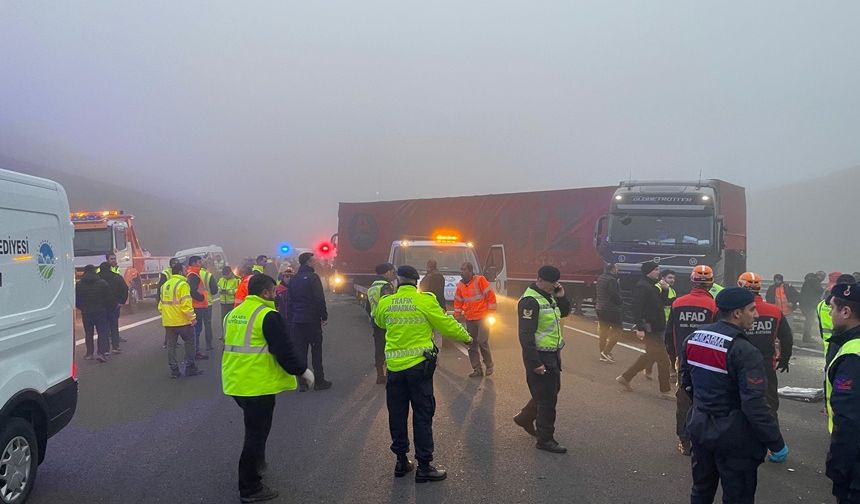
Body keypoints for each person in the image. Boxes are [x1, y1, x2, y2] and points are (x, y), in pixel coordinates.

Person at [680, 287, 788, 504]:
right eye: (752, 310)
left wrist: (703, 409)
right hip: (735, 439)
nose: (756, 315)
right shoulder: (745, 351)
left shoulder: (694, 338)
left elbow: (686, 382)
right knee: (738, 497)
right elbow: (754, 405)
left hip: (700, 428)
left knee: (701, 490)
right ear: (737, 313)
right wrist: (776, 442)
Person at [375, 265, 472, 483]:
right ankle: (424, 467)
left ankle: (401, 462)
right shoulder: (424, 300)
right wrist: (466, 337)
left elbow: (379, 322)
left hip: (394, 369)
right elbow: (445, 324)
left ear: (397, 281)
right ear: (416, 282)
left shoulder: (386, 302)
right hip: (419, 368)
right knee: (422, 415)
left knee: (397, 415)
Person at [222, 274, 313, 503]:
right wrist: (302, 371)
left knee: (252, 428)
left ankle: (258, 465)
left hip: (236, 382)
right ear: (265, 293)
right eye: (273, 291)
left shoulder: (234, 314)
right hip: (257, 385)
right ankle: (250, 487)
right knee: (256, 435)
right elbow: (284, 349)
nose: (275, 295)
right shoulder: (268, 315)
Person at [513, 265, 572, 454]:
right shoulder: (530, 301)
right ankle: (545, 439)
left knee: (550, 391)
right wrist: (535, 363)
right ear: (540, 279)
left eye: (555, 283)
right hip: (540, 355)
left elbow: (564, 313)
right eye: (550, 283)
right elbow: (526, 334)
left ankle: (524, 417)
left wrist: (561, 296)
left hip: (552, 353)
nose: (553, 286)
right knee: (548, 399)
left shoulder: (549, 296)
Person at [663, 265, 717, 456]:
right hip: (708, 362)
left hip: (683, 360)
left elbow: (669, 335)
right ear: (710, 283)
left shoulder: (678, 303)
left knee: (684, 401)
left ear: (692, 281)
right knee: (706, 400)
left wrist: (673, 358)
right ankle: (705, 438)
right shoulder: (713, 306)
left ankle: (684, 440)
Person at [737, 271, 793, 423]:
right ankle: (770, 440)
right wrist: (785, 358)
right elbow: (786, 338)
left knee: (738, 404)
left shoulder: (735, 312)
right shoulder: (774, 311)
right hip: (766, 365)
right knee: (769, 405)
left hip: (738, 365)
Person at [824, 282, 860, 503]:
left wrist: (837, 466)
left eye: (833, 307)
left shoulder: (851, 356)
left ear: (845, 312)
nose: (829, 312)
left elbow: (849, 420)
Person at [616, 261, 673, 399]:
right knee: (664, 360)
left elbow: (664, 303)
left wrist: (665, 289)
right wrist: (640, 327)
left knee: (650, 355)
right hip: (650, 328)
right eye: (656, 269)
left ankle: (626, 377)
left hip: (657, 327)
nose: (659, 272)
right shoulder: (642, 286)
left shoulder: (653, 286)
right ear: (649, 271)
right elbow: (637, 308)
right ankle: (665, 391)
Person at [287, 252, 332, 391]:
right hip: (311, 320)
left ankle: (303, 382)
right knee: (316, 351)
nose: (315, 261)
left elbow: (290, 300)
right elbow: (319, 299)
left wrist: (291, 318)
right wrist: (323, 316)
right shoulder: (313, 277)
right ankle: (319, 381)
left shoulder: (293, 279)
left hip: (297, 320)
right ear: (308, 262)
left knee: (301, 351)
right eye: (313, 260)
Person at [158, 262, 203, 379]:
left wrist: (168, 315)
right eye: (184, 270)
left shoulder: (165, 285)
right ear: (179, 272)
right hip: (183, 322)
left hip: (168, 323)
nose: (186, 272)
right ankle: (190, 367)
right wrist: (193, 318)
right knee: (189, 343)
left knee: (171, 346)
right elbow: (186, 305)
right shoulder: (183, 284)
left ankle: (174, 370)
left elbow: (160, 306)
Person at [454, 262, 497, 377]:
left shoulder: (480, 280)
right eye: (461, 269)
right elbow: (458, 301)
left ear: (470, 270)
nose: (461, 272)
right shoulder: (460, 285)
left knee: (482, 341)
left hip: (483, 317)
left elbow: (490, 296)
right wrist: (457, 315)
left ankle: (489, 364)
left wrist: (491, 313)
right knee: (471, 344)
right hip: (470, 318)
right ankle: (477, 369)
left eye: (463, 269)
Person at [75, 265, 113, 362]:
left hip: (86, 312)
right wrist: (105, 307)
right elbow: (109, 298)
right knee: (102, 332)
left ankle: (89, 353)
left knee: (88, 333)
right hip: (100, 311)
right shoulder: (102, 283)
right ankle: (101, 352)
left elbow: (76, 300)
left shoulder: (79, 285)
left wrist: (82, 308)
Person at [368, 263, 396, 384]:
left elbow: (368, 307)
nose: (393, 274)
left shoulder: (372, 286)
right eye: (392, 272)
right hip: (386, 321)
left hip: (375, 320)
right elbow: (389, 305)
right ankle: (390, 374)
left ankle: (380, 374)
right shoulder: (386, 286)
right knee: (389, 347)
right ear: (387, 272)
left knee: (378, 348)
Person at [819, 274, 857, 355]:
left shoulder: (821, 305)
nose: (830, 313)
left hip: (830, 349)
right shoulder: (854, 306)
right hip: (846, 346)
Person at [98, 260, 129, 353]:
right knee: (114, 326)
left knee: (103, 328)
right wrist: (121, 302)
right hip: (114, 305)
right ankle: (115, 346)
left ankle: (105, 349)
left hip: (101, 307)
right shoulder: (117, 277)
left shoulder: (97, 278)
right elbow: (125, 289)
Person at [595, 263, 623, 363]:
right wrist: (620, 301)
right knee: (618, 331)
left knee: (604, 331)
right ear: (612, 270)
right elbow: (614, 295)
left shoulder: (601, 278)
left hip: (600, 308)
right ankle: (606, 352)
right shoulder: (612, 280)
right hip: (610, 309)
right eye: (616, 268)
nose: (617, 270)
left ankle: (602, 353)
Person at [800, 272, 824, 343]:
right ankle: (807, 337)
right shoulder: (815, 281)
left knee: (809, 320)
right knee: (809, 321)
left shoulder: (808, 281)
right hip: (810, 304)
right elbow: (819, 290)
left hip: (804, 303)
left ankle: (807, 336)